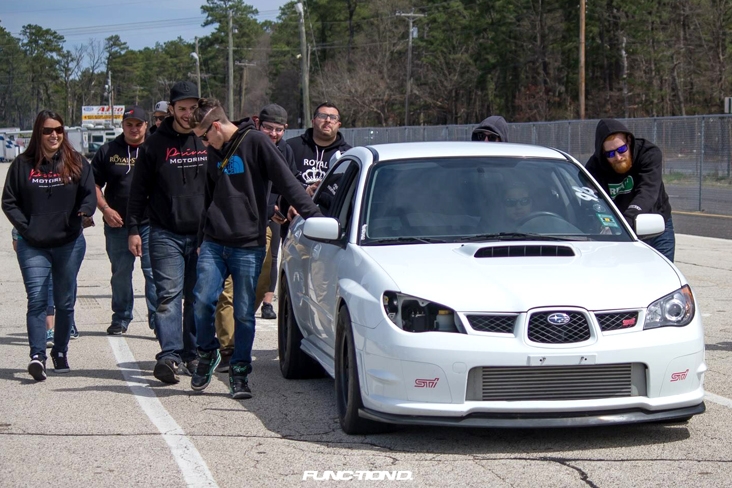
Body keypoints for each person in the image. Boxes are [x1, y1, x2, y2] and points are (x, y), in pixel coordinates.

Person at [189, 98, 323, 399]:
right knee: (202, 300)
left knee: (244, 314)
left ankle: (239, 373)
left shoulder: (257, 142)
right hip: (213, 241)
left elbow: (288, 183)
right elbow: (207, 198)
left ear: (215, 126)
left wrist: (315, 217)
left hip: (248, 243)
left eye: (203, 135)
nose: (203, 142)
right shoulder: (212, 152)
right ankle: (208, 353)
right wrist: (201, 240)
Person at [2, 110, 96, 381]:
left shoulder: (76, 161)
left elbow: (89, 193)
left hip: (69, 243)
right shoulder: (22, 164)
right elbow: (9, 201)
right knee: (37, 301)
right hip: (33, 245)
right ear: (37, 133)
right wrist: (26, 228)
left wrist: (85, 212)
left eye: (58, 129)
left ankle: (60, 351)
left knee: (65, 303)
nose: (53, 135)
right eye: (47, 130)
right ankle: (37, 355)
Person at [127, 81, 207, 384]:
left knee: (197, 298)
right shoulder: (153, 145)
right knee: (168, 297)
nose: (188, 114)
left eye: (192, 108)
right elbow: (138, 192)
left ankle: (192, 352)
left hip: (202, 235)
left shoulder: (207, 138)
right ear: (171, 109)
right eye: (182, 108)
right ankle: (170, 355)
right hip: (164, 233)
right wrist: (133, 229)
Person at [92, 106, 157, 335]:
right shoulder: (108, 150)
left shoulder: (155, 148)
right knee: (120, 273)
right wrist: (105, 209)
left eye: (138, 124)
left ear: (145, 125)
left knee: (153, 273)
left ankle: (158, 320)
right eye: (129, 124)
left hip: (151, 223)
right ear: (122, 125)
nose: (134, 129)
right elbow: (94, 185)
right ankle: (121, 317)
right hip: (117, 223)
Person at [585, 118, 675, 261]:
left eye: (621, 149)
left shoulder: (648, 153)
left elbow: (648, 191)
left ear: (629, 141)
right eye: (610, 154)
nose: (618, 157)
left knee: (661, 275)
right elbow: (589, 199)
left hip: (655, 222)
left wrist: (628, 218)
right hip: (620, 229)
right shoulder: (594, 168)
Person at [287, 102, 351, 196]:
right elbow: (279, 181)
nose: (328, 120)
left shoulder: (347, 154)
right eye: (322, 116)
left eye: (333, 117)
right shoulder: (291, 147)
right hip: (294, 208)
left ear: (338, 125)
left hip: (330, 209)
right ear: (313, 121)